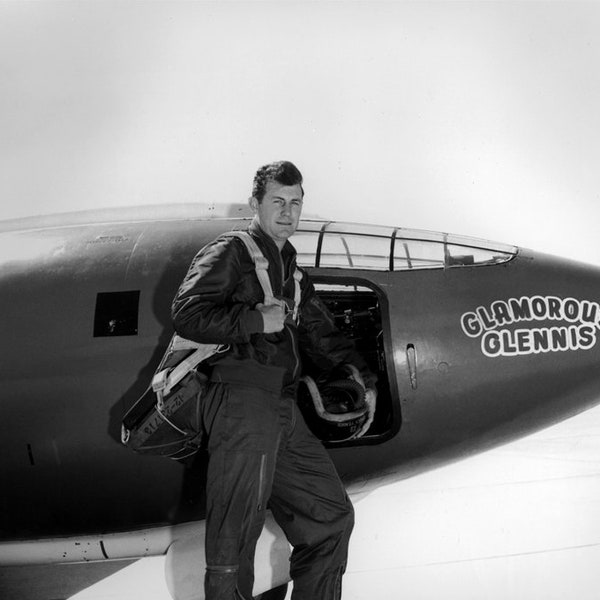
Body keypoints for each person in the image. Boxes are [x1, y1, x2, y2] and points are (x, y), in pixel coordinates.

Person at [171, 161, 376, 600]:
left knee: (330, 517)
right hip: (240, 400)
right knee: (235, 536)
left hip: (280, 408)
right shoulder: (233, 251)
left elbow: (321, 335)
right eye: (277, 202)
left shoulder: (291, 271)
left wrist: (364, 377)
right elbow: (187, 314)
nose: (287, 212)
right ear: (256, 204)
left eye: (295, 203)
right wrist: (252, 320)